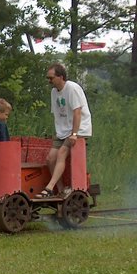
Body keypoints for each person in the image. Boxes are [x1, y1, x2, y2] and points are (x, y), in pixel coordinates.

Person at [39, 63, 92, 197]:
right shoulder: (54, 92)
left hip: (78, 128)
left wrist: (74, 134)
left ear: (61, 77)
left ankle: (49, 188)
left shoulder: (72, 88)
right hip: (63, 130)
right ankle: (61, 189)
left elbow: (77, 112)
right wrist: (59, 132)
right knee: (50, 158)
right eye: (48, 78)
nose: (49, 81)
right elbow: (58, 114)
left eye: (51, 78)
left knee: (62, 152)